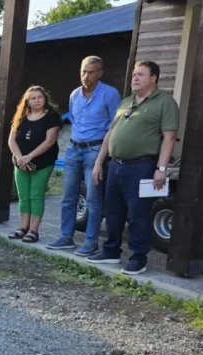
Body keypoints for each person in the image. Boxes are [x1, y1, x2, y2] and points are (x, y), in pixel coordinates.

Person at [86, 60, 177, 275]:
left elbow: (169, 137)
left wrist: (161, 169)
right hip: (116, 165)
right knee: (113, 210)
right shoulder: (127, 101)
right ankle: (111, 251)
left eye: (140, 75)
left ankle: (138, 257)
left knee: (138, 213)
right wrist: (99, 162)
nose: (134, 78)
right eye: (134, 74)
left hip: (142, 166)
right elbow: (110, 133)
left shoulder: (164, 102)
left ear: (153, 78)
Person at [47, 56, 122, 256]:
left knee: (92, 198)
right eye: (83, 71)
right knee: (68, 196)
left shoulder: (110, 94)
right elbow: (74, 119)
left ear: (100, 73)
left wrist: (102, 155)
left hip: (95, 150)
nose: (86, 76)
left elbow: (114, 125)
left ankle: (91, 242)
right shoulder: (74, 95)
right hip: (73, 148)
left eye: (90, 72)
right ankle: (66, 237)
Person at [5, 86, 63, 243]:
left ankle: (33, 231)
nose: (37, 100)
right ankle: (23, 228)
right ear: (27, 102)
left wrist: (29, 156)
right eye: (33, 98)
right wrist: (20, 158)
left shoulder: (52, 117)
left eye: (40, 97)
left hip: (42, 163)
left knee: (35, 196)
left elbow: (49, 141)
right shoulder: (21, 117)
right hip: (21, 164)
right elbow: (11, 140)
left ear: (45, 99)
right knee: (23, 197)